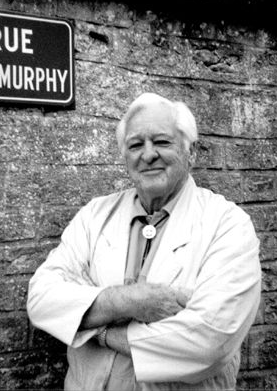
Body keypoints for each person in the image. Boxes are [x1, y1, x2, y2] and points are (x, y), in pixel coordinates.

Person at [27, 93, 261, 390]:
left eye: (162, 142)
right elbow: (41, 300)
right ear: (124, 156)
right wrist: (130, 301)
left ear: (193, 152)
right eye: (136, 144)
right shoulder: (94, 215)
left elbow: (210, 342)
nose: (148, 154)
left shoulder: (227, 225)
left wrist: (96, 329)